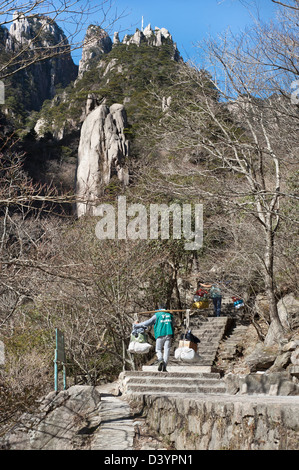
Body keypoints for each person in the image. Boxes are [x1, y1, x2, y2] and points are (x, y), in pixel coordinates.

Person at [133, 304, 174, 372]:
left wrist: (136, 325)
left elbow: (147, 323)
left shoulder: (157, 315)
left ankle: (160, 359)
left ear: (159, 308)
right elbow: (173, 324)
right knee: (167, 350)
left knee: (158, 349)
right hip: (169, 334)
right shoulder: (170, 315)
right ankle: (164, 366)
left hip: (160, 334)